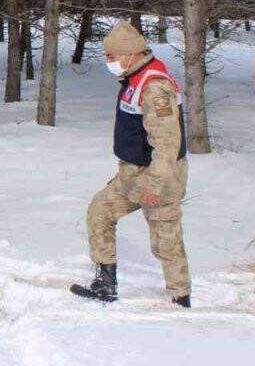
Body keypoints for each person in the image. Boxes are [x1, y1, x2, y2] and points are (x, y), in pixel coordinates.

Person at [70, 20, 191, 308]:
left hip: (158, 176)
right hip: (131, 173)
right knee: (99, 211)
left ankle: (180, 298)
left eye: (111, 57)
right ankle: (105, 283)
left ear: (128, 54)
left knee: (165, 241)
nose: (108, 62)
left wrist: (155, 182)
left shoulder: (155, 87)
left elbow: (166, 142)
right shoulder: (134, 78)